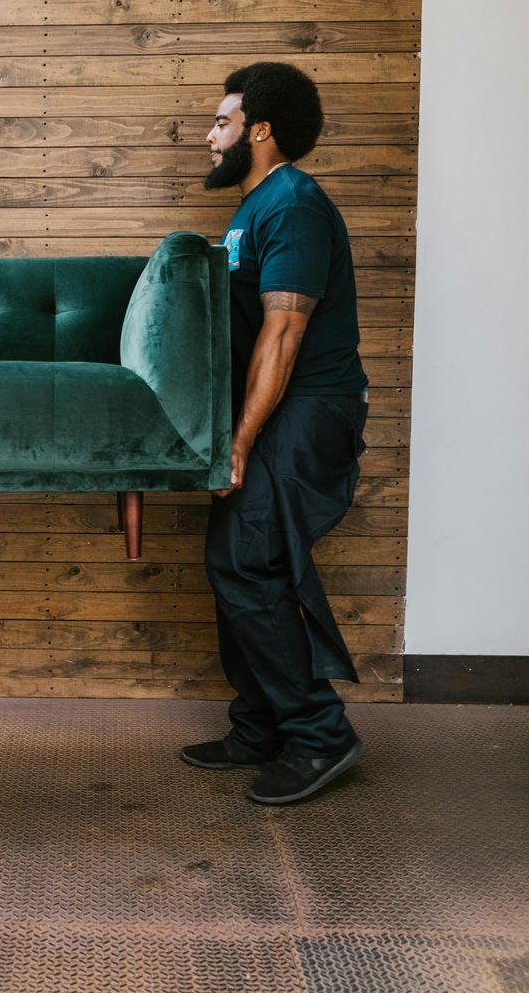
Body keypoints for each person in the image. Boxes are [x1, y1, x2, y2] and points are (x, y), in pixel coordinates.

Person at [179, 61, 371, 806]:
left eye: (222, 121)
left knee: (247, 561)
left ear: (260, 129)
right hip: (277, 408)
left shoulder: (291, 203)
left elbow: (284, 335)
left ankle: (319, 734)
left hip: (308, 407)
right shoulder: (252, 209)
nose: (210, 134)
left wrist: (240, 438)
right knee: (237, 560)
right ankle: (259, 725)